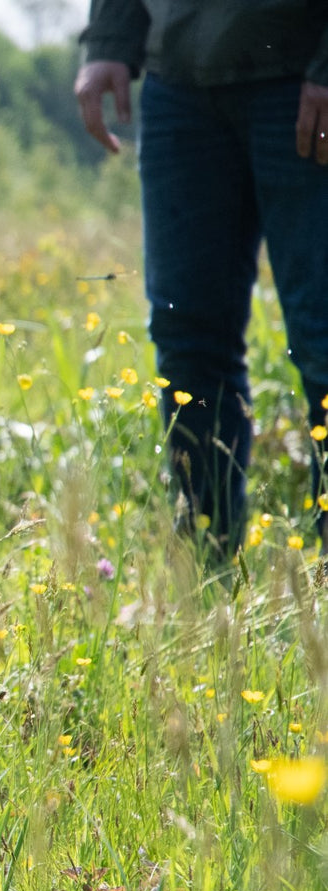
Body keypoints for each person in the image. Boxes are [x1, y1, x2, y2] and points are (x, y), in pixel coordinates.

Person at [74, 1, 328, 560]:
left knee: (324, 340)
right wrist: (112, 40)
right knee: (187, 340)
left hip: (304, 74)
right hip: (181, 84)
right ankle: (210, 577)